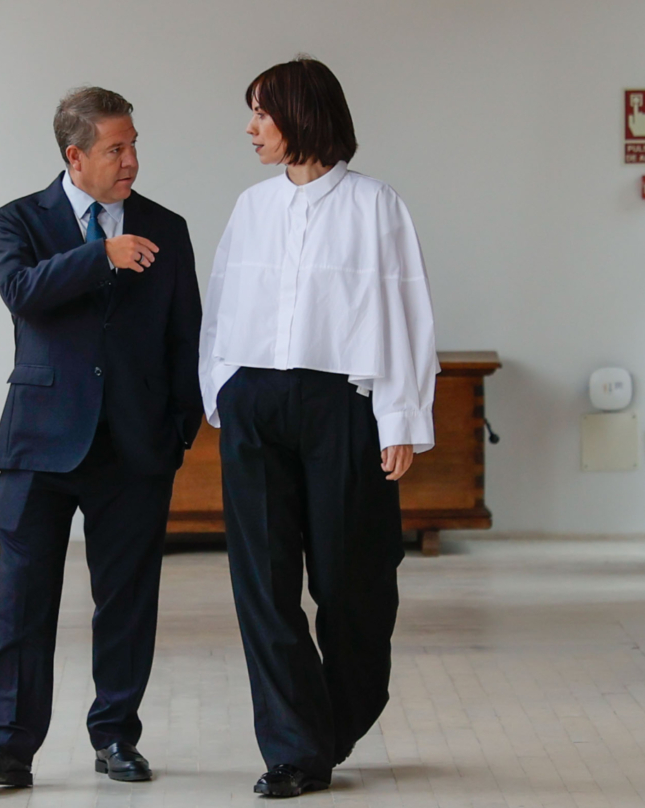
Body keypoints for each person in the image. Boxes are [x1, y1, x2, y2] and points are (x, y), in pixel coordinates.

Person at [200, 57, 438, 798]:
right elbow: (222, 303)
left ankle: (340, 716)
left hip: (344, 407)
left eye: (262, 114)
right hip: (255, 405)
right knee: (263, 586)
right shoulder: (250, 206)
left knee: (354, 581)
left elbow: (407, 313)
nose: (251, 128)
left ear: (302, 115)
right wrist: (223, 392)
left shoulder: (376, 206)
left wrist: (399, 414)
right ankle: (295, 752)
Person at [0, 87, 203, 788]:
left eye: (134, 144)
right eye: (115, 148)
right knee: (22, 596)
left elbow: (186, 335)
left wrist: (177, 432)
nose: (132, 160)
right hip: (39, 442)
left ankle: (117, 737)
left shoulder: (169, 227)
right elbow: (22, 292)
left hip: (135, 447)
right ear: (76, 155)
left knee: (127, 601)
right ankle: (9, 743)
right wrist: (103, 256)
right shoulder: (20, 220)